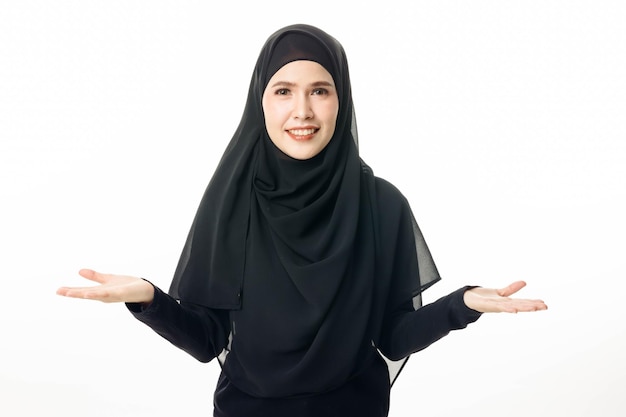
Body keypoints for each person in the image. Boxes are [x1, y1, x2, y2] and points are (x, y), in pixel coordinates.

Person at [57, 24, 547, 416]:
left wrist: (462, 305)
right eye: (283, 91)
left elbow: (394, 336)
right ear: (260, 102)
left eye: (320, 90)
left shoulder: (381, 204)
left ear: (342, 101)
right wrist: (147, 299)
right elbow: (209, 341)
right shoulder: (231, 203)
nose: (302, 110)